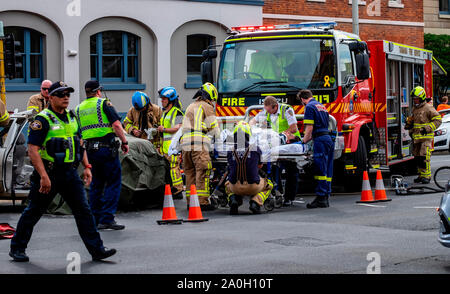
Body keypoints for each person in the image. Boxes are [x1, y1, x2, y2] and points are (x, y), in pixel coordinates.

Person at [9, 81, 116, 262]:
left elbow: (79, 144)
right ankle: (17, 248)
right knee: (34, 211)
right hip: (49, 173)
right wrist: (43, 176)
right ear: (50, 97)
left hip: (70, 173)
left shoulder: (72, 117)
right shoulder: (42, 119)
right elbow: (32, 149)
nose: (66, 97)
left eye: (68, 94)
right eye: (61, 94)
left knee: (83, 211)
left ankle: (97, 250)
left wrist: (87, 167)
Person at [75, 80, 129, 230]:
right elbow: (117, 125)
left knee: (96, 185)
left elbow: (78, 133)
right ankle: (107, 218)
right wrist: (124, 142)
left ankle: (95, 218)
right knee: (113, 182)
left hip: (90, 151)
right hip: (106, 150)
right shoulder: (103, 103)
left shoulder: (79, 108)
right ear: (98, 91)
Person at [249, 96, 301, 206]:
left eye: (269, 110)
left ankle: (289, 198)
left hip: (290, 142)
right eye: (266, 110)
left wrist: (281, 135)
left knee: (291, 170)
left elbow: (294, 128)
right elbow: (254, 120)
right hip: (275, 144)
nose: (267, 112)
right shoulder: (266, 111)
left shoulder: (287, 110)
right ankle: (278, 193)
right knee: (271, 168)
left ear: (275, 106)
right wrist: (251, 127)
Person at [180, 82, 220, 210]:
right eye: (213, 100)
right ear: (210, 97)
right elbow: (214, 129)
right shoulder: (207, 106)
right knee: (202, 171)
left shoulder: (191, 106)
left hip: (185, 143)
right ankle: (202, 203)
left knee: (189, 172)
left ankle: (190, 202)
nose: (213, 102)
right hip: (198, 142)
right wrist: (220, 140)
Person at [225, 121, 273, 215]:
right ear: (248, 135)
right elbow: (259, 166)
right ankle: (256, 202)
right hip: (253, 186)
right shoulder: (255, 148)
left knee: (227, 185)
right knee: (269, 184)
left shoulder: (230, 151)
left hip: (235, 187)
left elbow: (230, 166)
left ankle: (234, 200)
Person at [298, 89, 333, 209]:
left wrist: (303, 141)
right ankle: (325, 196)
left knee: (320, 169)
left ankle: (321, 197)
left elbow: (309, 128)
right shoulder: (321, 106)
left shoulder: (309, 107)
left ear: (303, 99)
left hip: (320, 140)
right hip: (328, 139)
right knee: (327, 169)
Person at [405, 86, 442, 184]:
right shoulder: (415, 108)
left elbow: (438, 120)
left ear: (422, 97)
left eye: (416, 99)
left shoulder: (428, 107)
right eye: (414, 99)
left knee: (424, 157)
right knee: (418, 158)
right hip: (417, 138)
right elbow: (415, 121)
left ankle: (427, 176)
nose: (415, 101)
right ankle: (421, 175)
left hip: (425, 138)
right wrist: (409, 124)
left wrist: (427, 128)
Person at [157, 86, 184, 200]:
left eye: (164, 99)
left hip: (174, 147)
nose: (162, 101)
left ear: (170, 100)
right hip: (166, 148)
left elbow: (179, 127)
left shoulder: (177, 112)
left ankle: (178, 190)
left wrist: (164, 129)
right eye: (162, 99)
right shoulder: (165, 113)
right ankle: (173, 188)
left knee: (174, 169)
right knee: (169, 170)